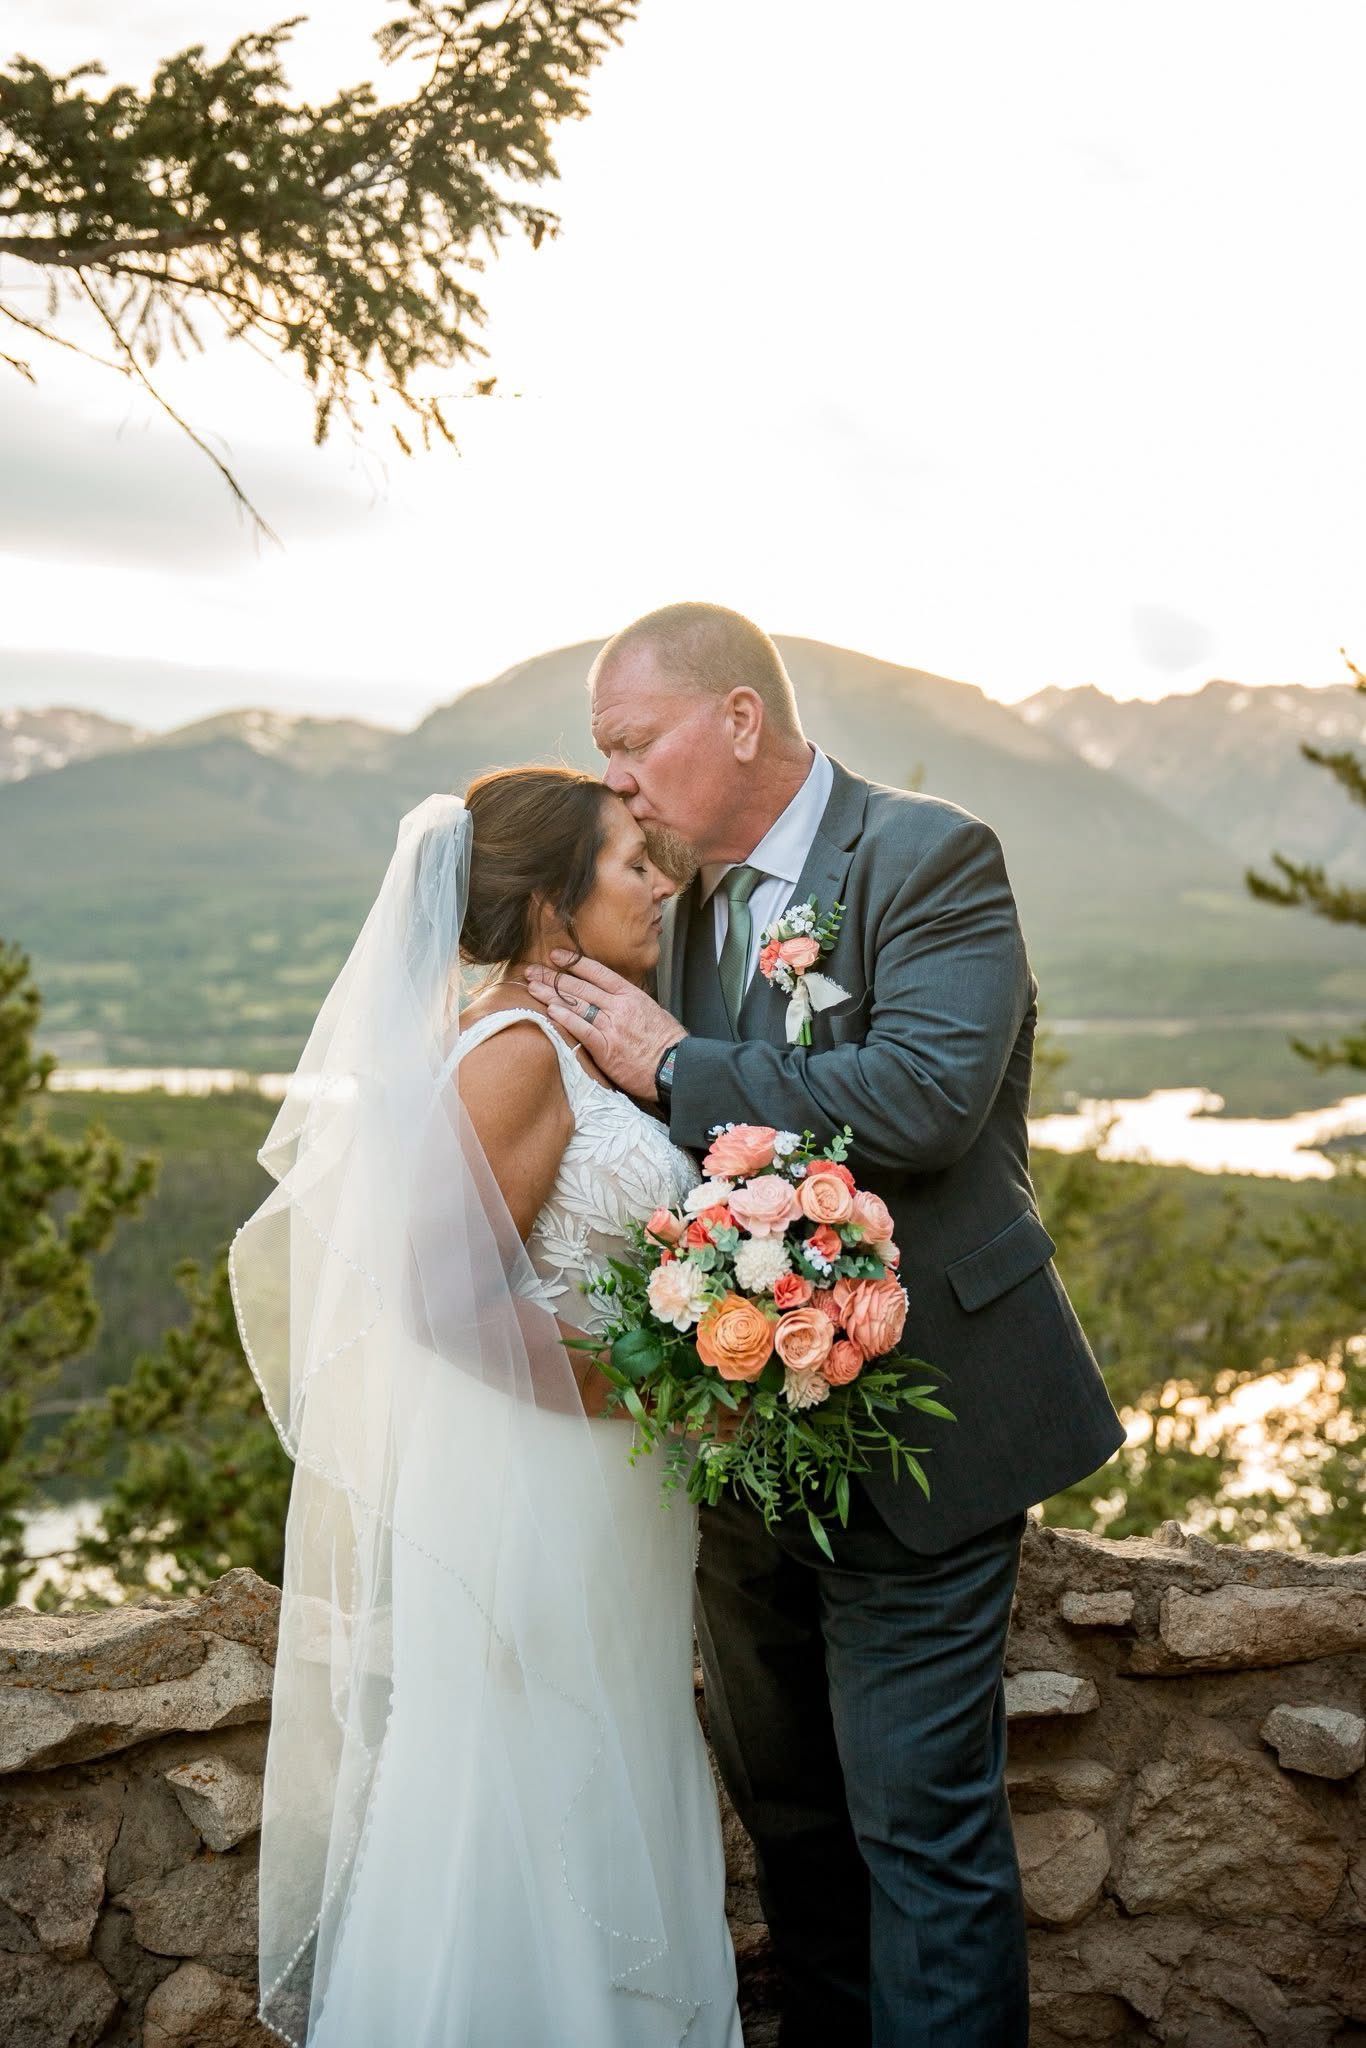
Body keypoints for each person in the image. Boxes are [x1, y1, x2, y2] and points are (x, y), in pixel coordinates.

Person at [524, 601, 1128, 2048]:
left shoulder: (925, 857)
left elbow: (922, 1096)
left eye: (630, 743)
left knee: (920, 1838)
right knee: (793, 1828)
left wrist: (678, 1061)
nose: (613, 779)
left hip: (929, 1433)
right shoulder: (665, 898)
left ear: (738, 719)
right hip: (737, 1447)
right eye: (599, 752)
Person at [229, 767, 744, 2048]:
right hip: (551, 1483)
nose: (660, 883)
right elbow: (444, 1303)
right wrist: (672, 1384)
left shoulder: (573, 1040)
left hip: (606, 1486)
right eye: (634, 863)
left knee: (604, 1758)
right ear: (550, 905)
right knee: (533, 1778)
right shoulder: (515, 1052)